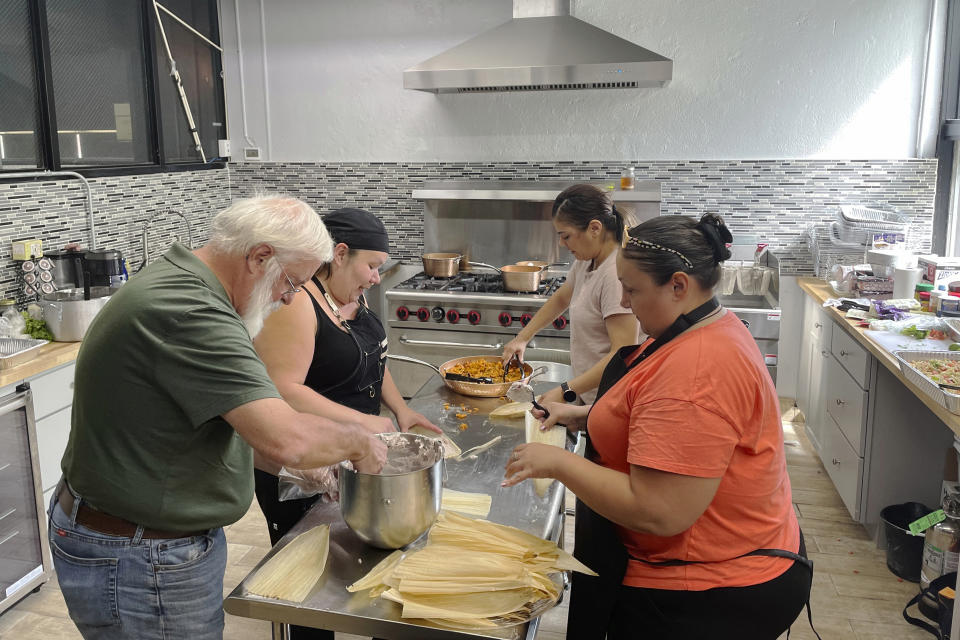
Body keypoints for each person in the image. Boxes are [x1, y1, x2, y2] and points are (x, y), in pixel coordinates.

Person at [48, 195, 388, 640]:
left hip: (147, 537)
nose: (289, 300)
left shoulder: (187, 282)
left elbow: (212, 423)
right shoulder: (193, 313)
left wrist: (303, 469)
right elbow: (284, 438)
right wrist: (360, 441)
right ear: (260, 256)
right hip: (142, 554)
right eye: (291, 283)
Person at [503, 213, 813, 639]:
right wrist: (579, 414)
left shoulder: (697, 370)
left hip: (707, 589)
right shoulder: (700, 325)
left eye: (632, 290)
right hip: (715, 562)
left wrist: (558, 463)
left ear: (679, 285)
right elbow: (649, 418)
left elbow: (659, 510)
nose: (625, 303)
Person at [251, 207, 440, 640]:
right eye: (372, 265)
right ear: (339, 253)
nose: (377, 276)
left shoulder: (354, 295)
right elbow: (285, 389)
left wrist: (400, 410)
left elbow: (377, 359)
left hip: (352, 456)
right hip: (302, 467)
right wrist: (362, 423)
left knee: (361, 568)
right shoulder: (295, 303)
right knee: (310, 588)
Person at [502, 183, 640, 405]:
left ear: (594, 228)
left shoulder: (615, 274)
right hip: (589, 394)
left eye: (566, 236)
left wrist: (566, 389)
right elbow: (562, 297)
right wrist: (523, 338)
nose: (561, 243)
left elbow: (622, 354)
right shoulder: (587, 261)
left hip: (610, 400)